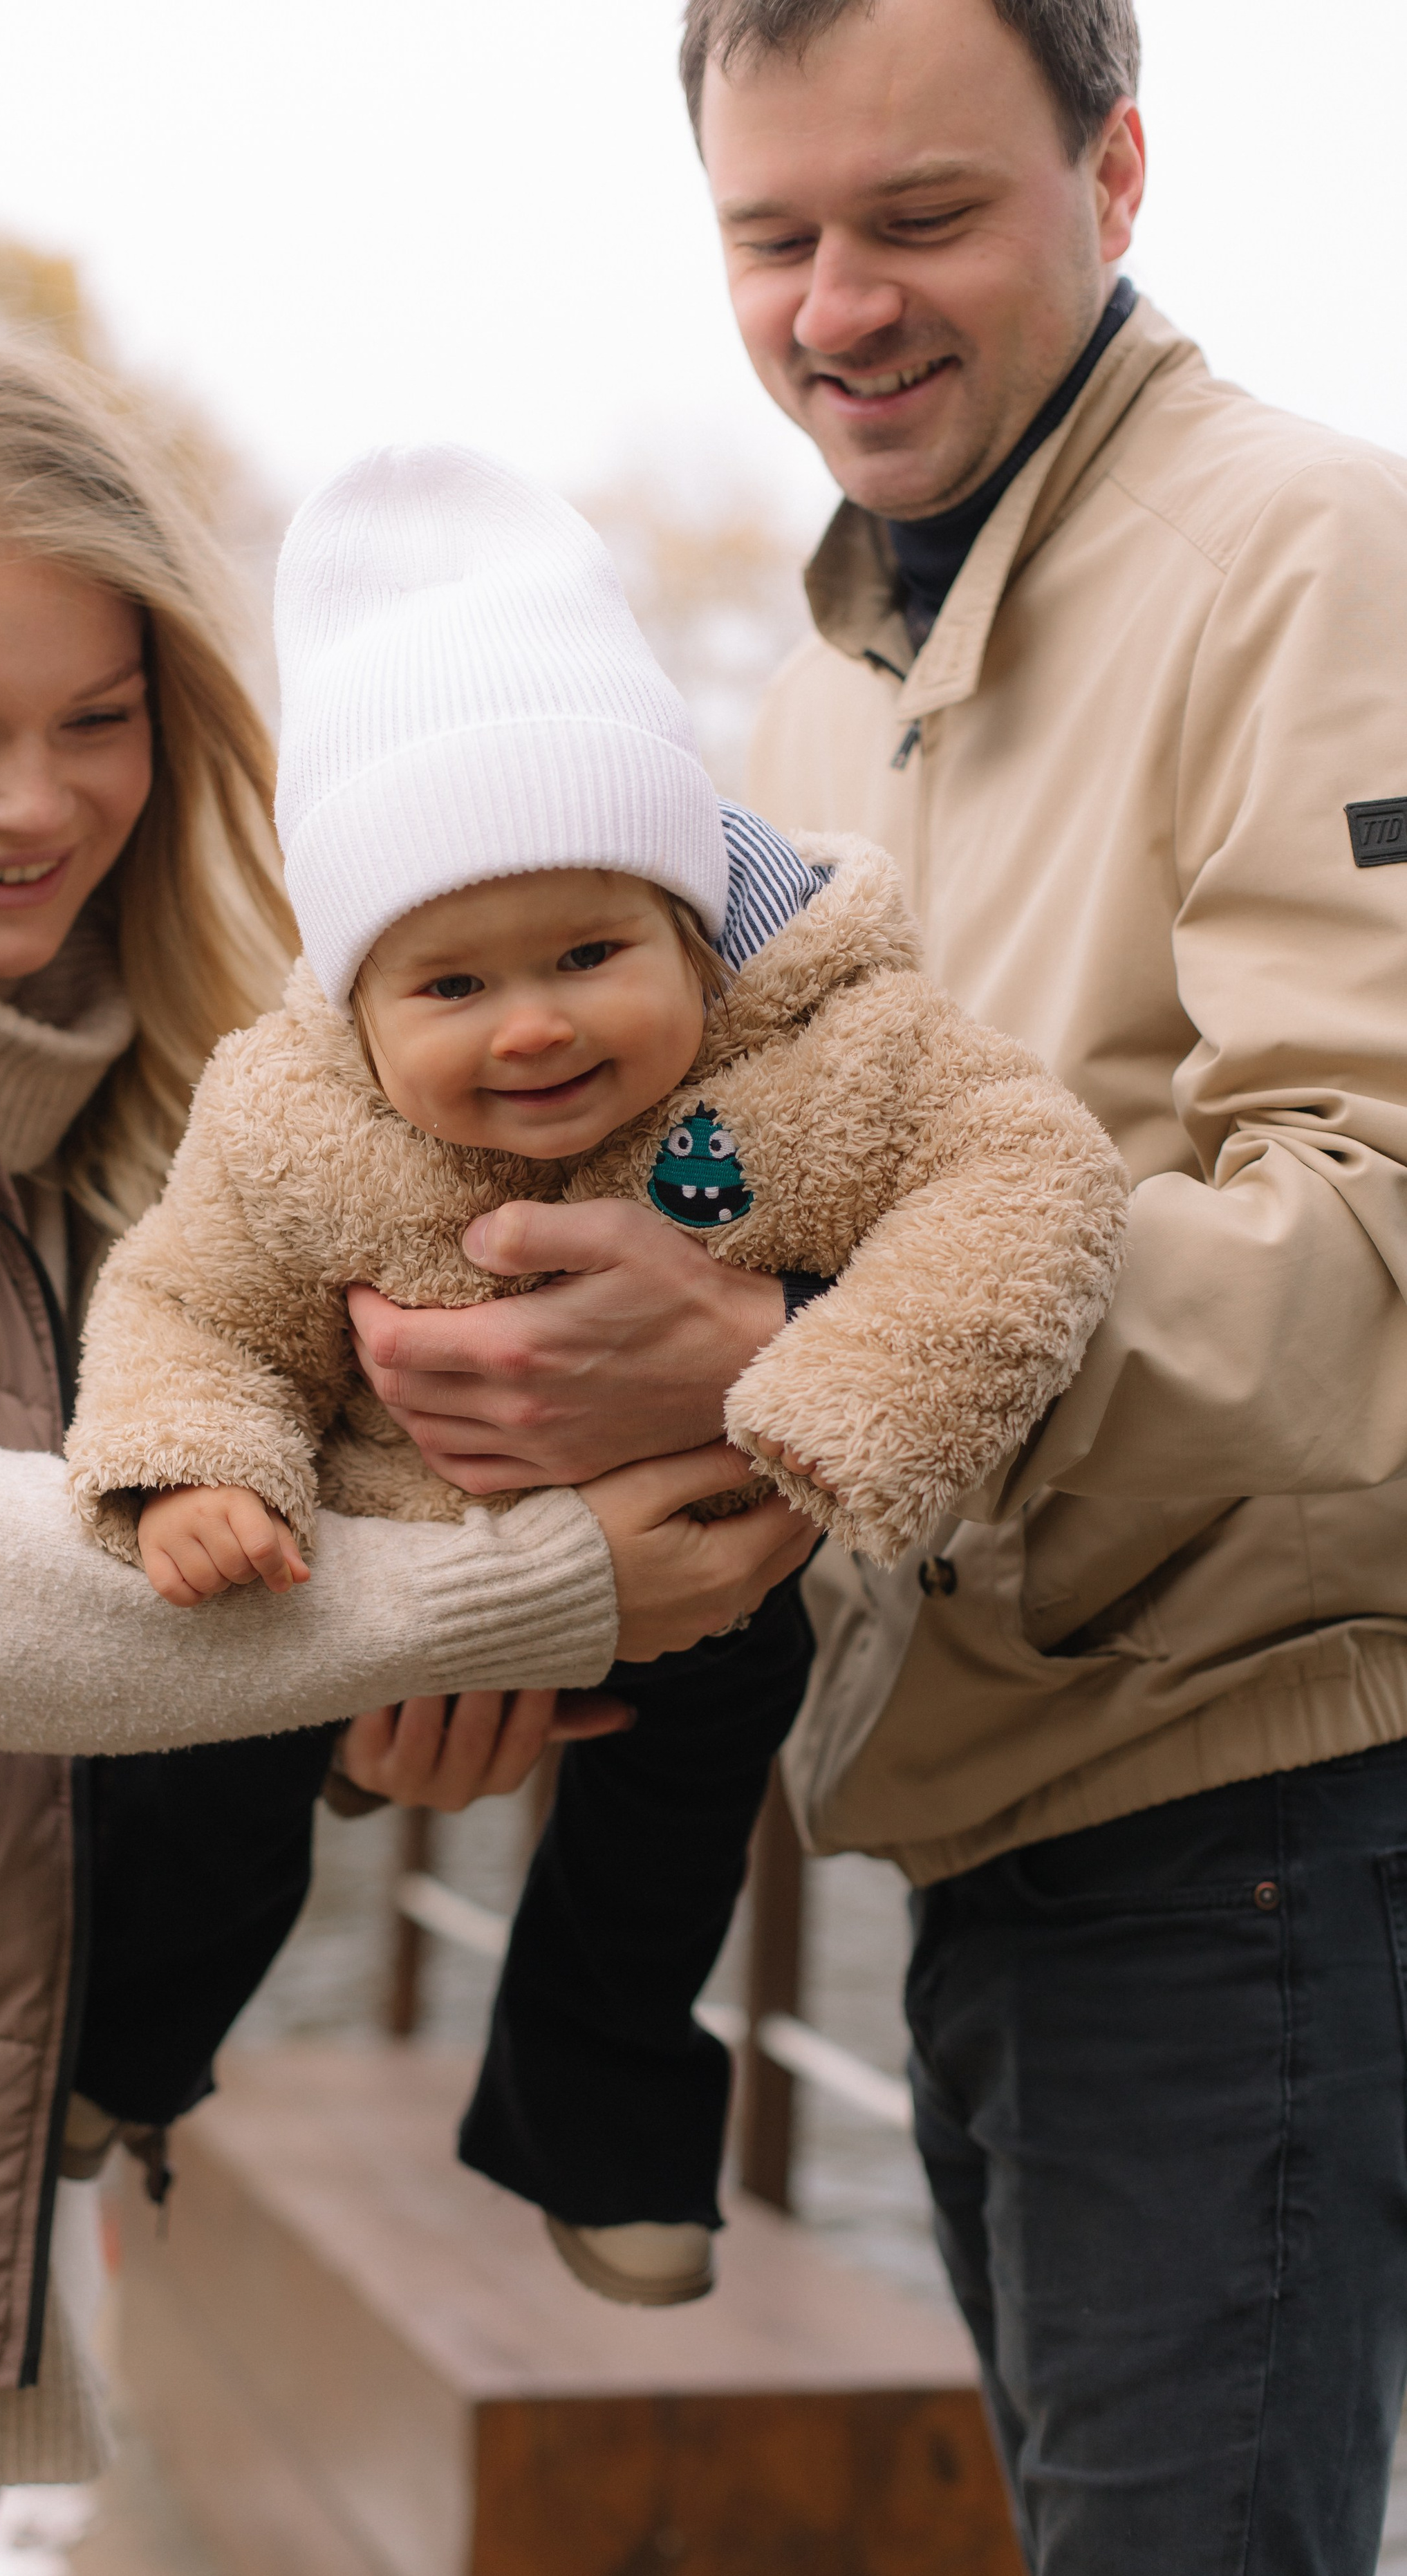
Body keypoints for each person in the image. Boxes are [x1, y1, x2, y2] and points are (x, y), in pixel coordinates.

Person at [352, 0, 1407, 2576]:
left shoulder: (1321, 563)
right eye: (772, 234)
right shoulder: (825, 688)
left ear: (1122, 168)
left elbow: (1386, 1256)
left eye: (921, 219)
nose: (838, 304)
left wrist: (772, 1340)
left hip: (1251, 1826)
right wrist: (513, 1534)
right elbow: (742, 1206)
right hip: (1000, 1820)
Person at [0, 333, 812, 2576]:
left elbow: (234, 1556)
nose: (34, 804)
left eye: (98, 718)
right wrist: (484, 1606)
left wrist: (382, 1723)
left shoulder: (159, 1075)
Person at [63, 440, 1125, 2308]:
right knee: (198, 1765)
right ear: (359, 1003)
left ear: (692, 936)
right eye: (452, 989)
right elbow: (187, 1307)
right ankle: (116, 2055)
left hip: (699, 1561)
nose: (534, 1023)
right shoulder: (293, 1121)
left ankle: (610, 2140)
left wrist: (833, 1390)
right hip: (375, 1561)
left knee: (669, 1837)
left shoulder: (825, 1063)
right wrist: (198, 1472)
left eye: (588, 953)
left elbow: (1032, 1183)